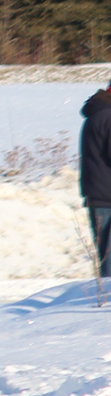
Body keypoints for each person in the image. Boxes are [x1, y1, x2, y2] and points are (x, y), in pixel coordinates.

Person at [82, 77, 111, 277]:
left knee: (107, 259)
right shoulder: (108, 117)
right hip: (108, 198)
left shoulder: (98, 114)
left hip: (99, 197)